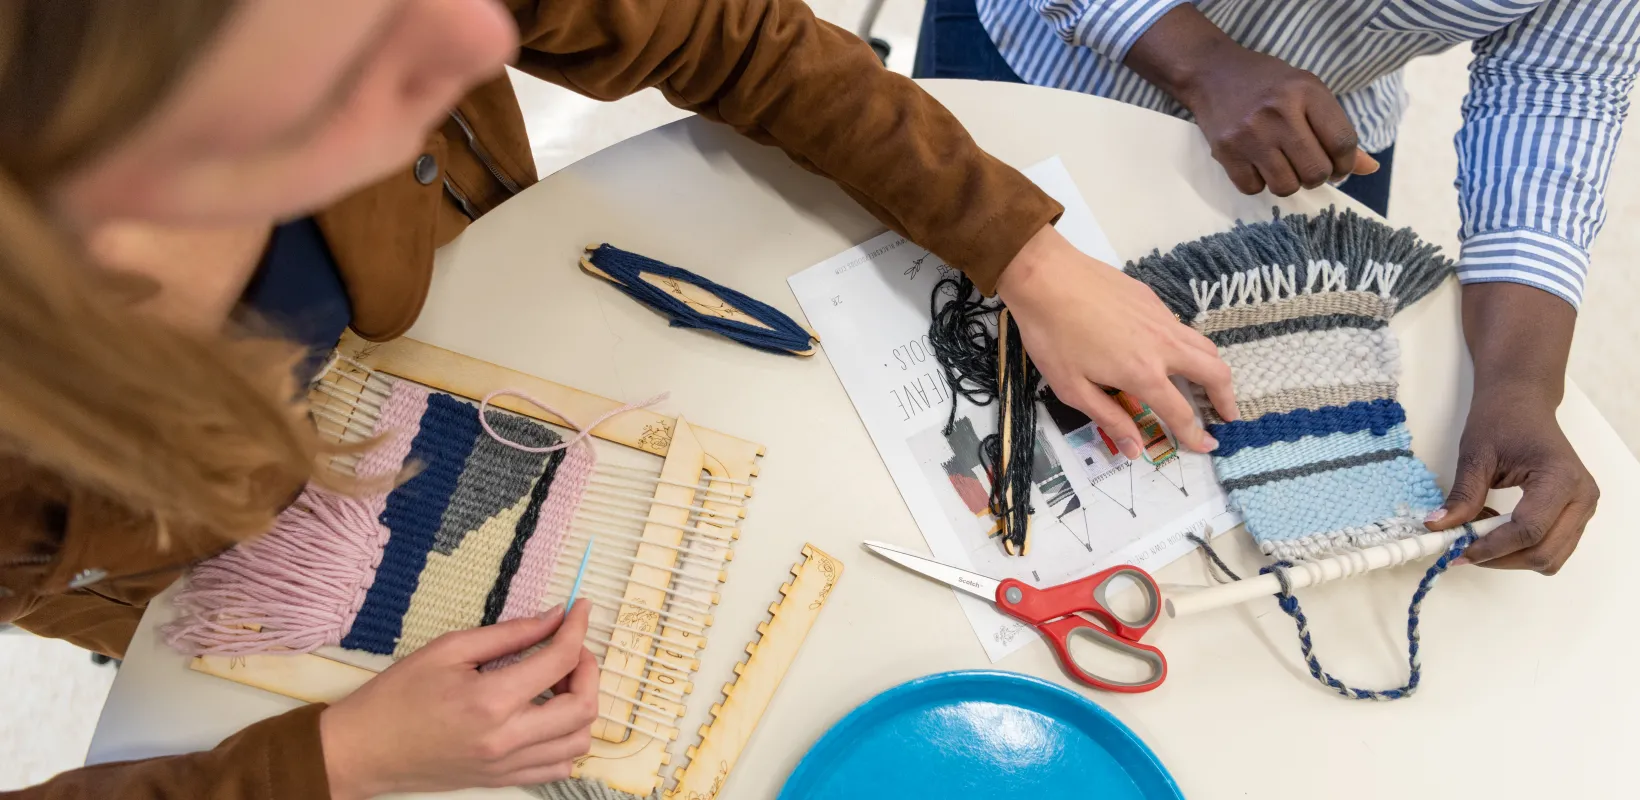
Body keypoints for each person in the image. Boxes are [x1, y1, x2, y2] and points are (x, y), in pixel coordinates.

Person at [0, 0, 1237, 797]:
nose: (481, 43)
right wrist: (336, 757)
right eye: (355, 63)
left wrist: (1025, 254)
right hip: (207, 603)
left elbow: (722, 28)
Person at [915, 0, 1631, 575]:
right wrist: (1201, 61)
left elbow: (1563, 88)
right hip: (1050, 58)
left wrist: (1521, 387)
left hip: (1319, 137)